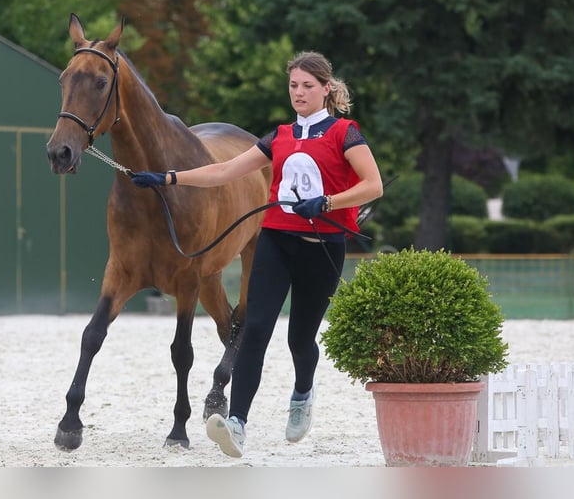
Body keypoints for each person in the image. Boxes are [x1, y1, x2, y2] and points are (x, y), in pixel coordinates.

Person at [130, 51, 384, 458]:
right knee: (255, 330)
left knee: (300, 339)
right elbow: (223, 171)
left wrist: (327, 202)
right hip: (277, 240)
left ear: (325, 89)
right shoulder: (279, 137)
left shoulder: (344, 134)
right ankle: (238, 424)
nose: (298, 93)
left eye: (307, 86)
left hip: (323, 248)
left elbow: (374, 185)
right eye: (293, 85)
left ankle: (302, 392)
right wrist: (166, 178)